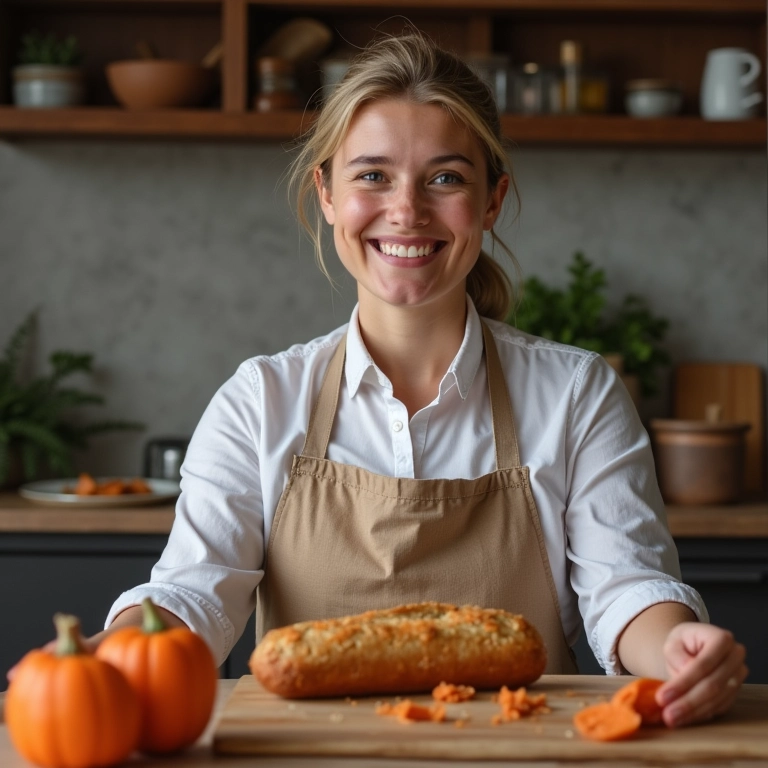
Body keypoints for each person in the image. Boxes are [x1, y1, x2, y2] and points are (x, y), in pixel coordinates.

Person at [10, 32, 746, 728]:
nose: (407, 211)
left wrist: (677, 647)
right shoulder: (261, 401)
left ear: (491, 200)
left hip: (522, 755)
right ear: (327, 193)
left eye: (446, 178)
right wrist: (113, 657)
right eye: (373, 176)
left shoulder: (576, 395)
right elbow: (194, 592)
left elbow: (627, 590)